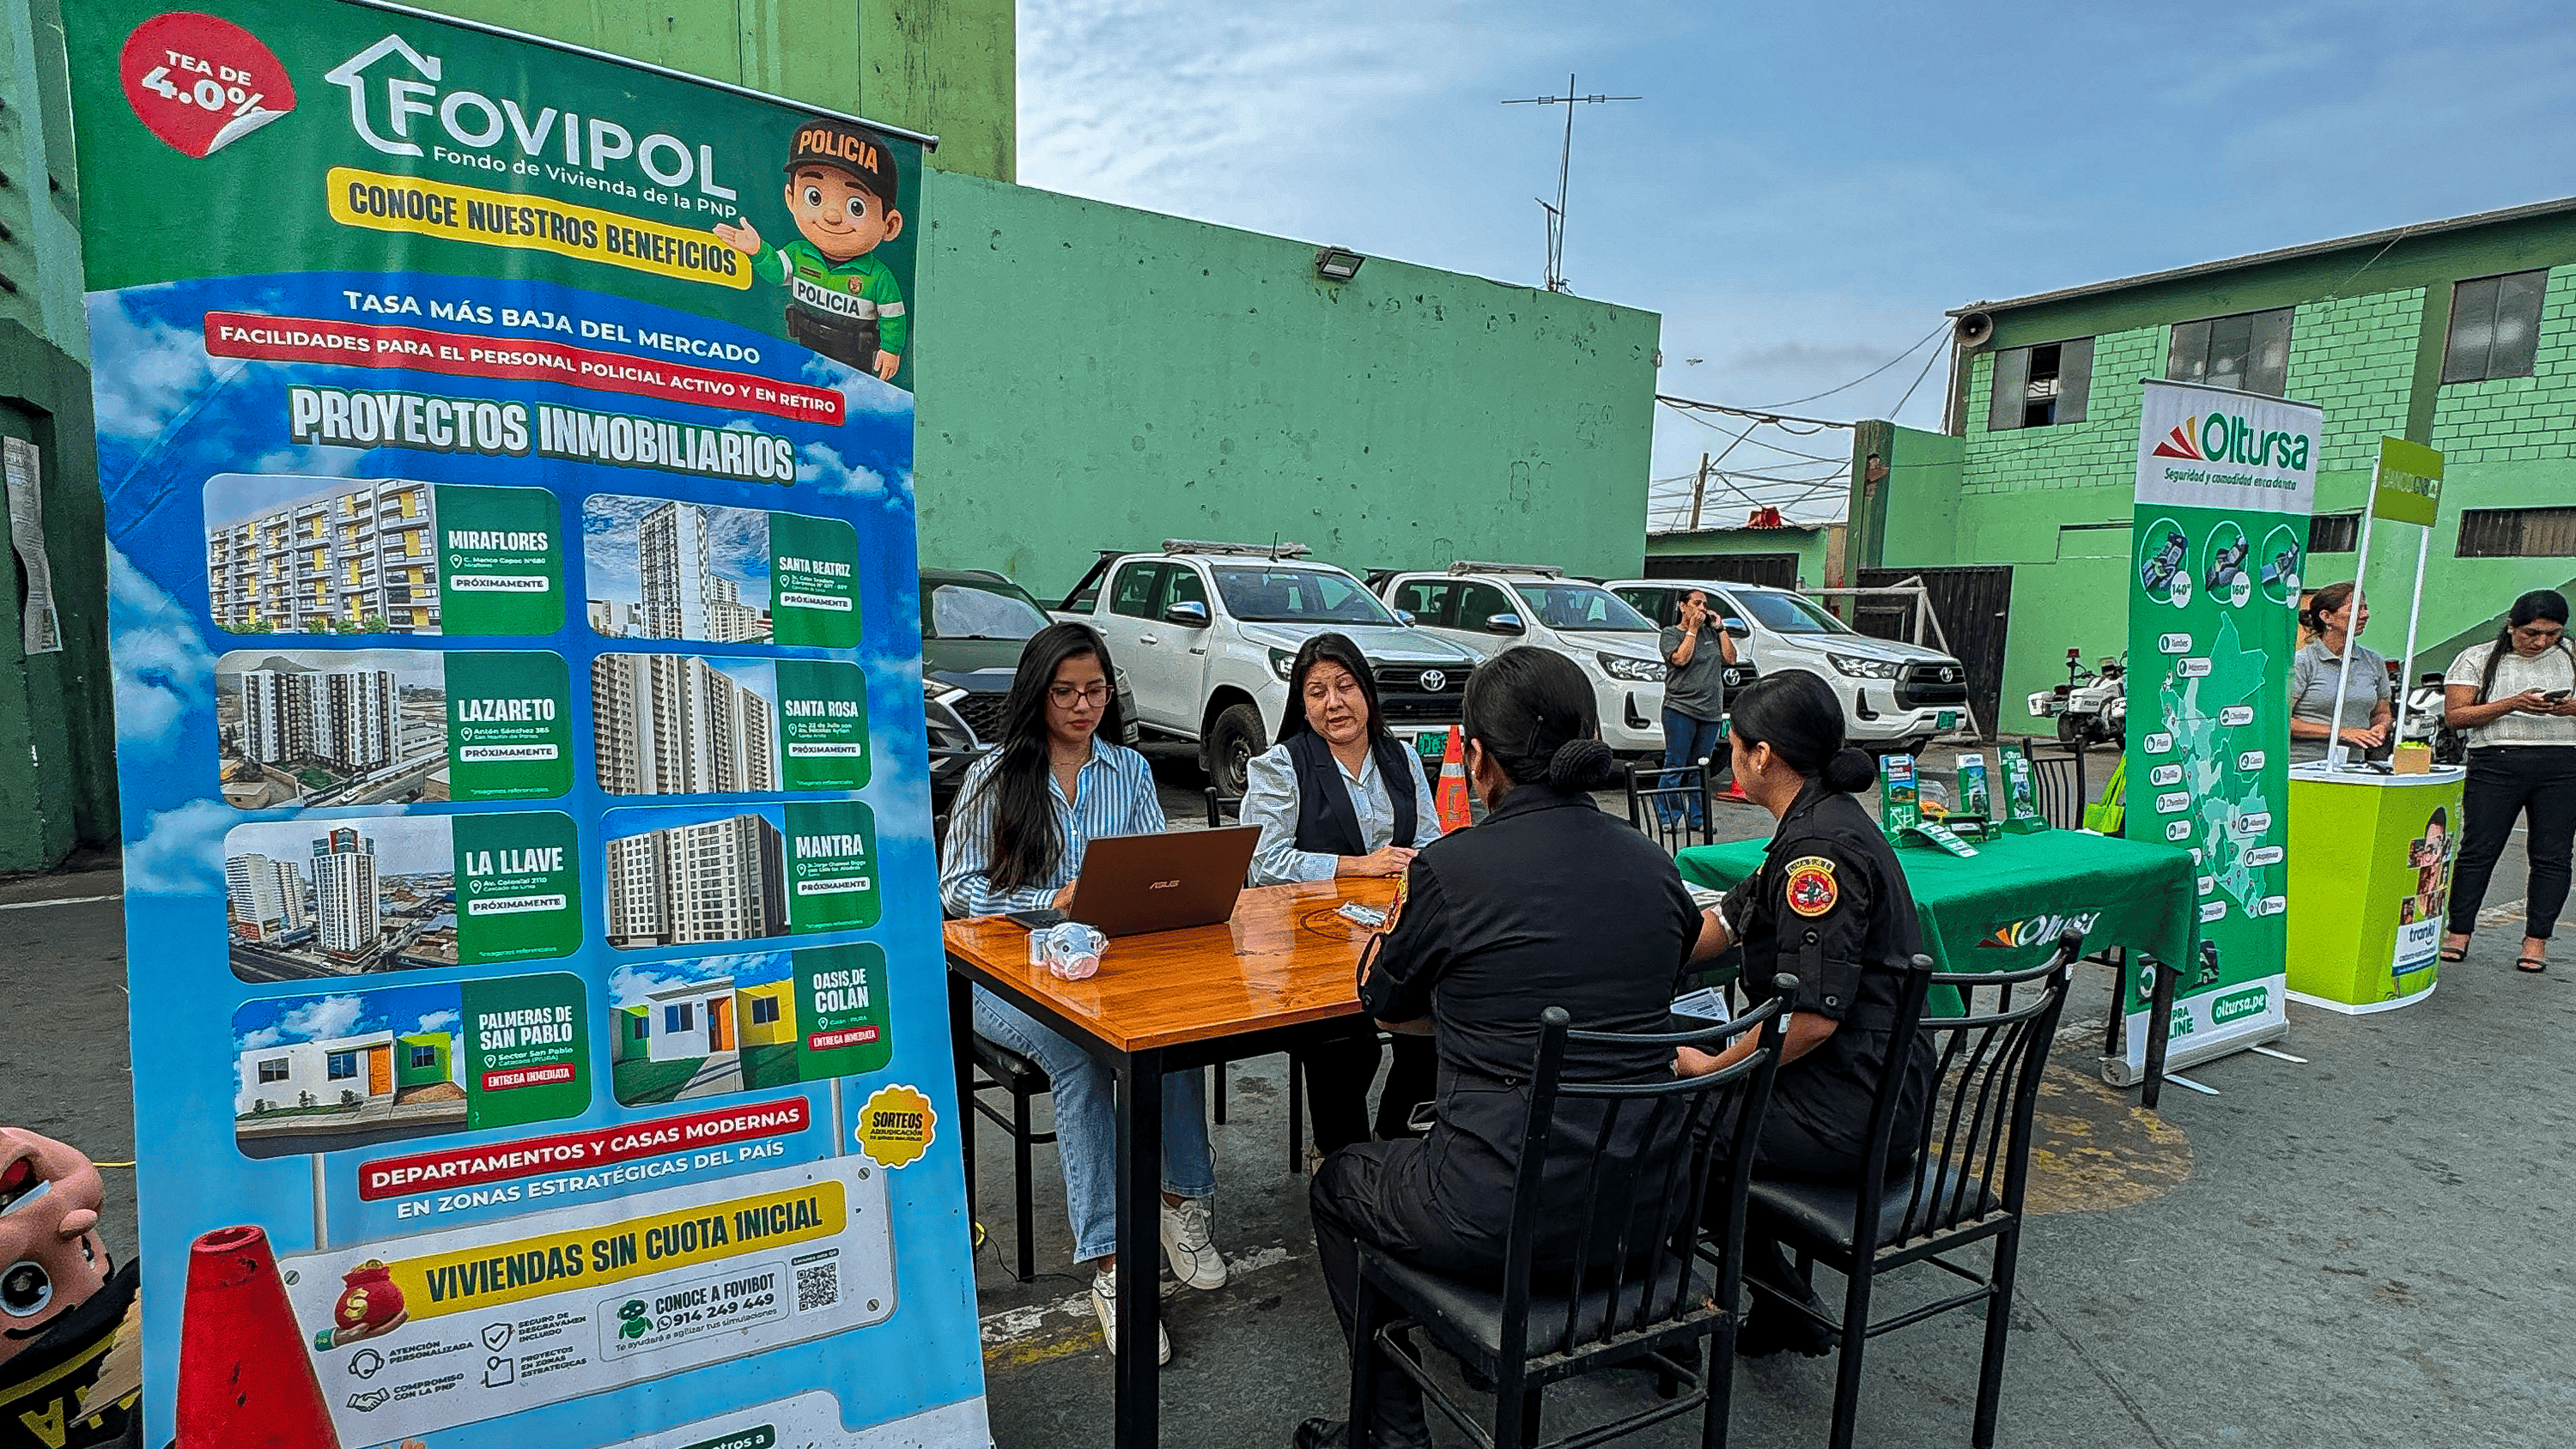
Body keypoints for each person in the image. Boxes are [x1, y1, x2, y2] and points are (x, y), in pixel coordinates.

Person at [1295, 647, 1698, 1449]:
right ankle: (1461, 1343)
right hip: (1647, 1209)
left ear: (1476, 759)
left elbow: (1382, 1001)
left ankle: (1390, 1432)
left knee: (1342, 1181)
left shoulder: (1454, 871)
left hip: (1500, 1214)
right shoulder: (1657, 870)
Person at [938, 622, 1227, 1363]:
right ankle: (1111, 1263)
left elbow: (1161, 865)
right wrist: (1050, 901)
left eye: (1095, 690)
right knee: (1076, 1057)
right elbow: (958, 891)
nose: (1082, 705)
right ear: (1038, 694)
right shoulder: (995, 776)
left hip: (1108, 965)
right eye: (1065, 692)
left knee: (1180, 1025)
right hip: (1012, 978)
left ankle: (1176, 1203)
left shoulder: (1128, 772)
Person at [1675, 669, 1937, 1356]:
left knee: (1670, 1120)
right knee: (1694, 1094)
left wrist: (1715, 1069)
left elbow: (1812, 1019)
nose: (1725, 756)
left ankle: (1729, 1306)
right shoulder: (1815, 822)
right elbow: (1726, 925)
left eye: (1732, 744)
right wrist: (1633, 941)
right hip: (1863, 1079)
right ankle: (1778, 1298)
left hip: (1856, 1104)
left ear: (1762, 755)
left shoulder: (1818, 851)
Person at [1241, 634, 1447, 1156]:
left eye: (1345, 687)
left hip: (1393, 933)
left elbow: (1428, 841)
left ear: (1367, 694)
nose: (1333, 703)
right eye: (1316, 692)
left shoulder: (1399, 757)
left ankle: (1392, 1142)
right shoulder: (1283, 766)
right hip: (1311, 943)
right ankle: (1343, 1162)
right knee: (1345, 1045)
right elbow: (1262, 864)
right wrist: (1357, 865)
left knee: (1442, 1023)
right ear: (1301, 705)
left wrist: (1414, 867)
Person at [2439, 590, 2576, 973]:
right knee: (2479, 850)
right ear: (2511, 625)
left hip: (2564, 760)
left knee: (2553, 854)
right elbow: (2456, 715)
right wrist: (2512, 703)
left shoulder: (2572, 655)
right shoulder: (2477, 658)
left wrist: (2565, 708)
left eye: (2552, 634)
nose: (2542, 642)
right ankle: (2459, 931)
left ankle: (2537, 940)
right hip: (2496, 761)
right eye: (2532, 633)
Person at [1660, 588, 1740, 825]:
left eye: (1705, 604)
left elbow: (1731, 658)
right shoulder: (1670, 634)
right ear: (1683, 606)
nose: (1702, 608)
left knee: (1700, 767)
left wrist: (1721, 628)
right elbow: (1681, 659)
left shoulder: (1711, 634)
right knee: (1676, 764)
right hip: (1681, 709)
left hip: (1710, 711)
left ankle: (1697, 818)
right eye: (1697, 603)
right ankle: (1670, 817)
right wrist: (1692, 629)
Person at [2288, 582, 2391, 763]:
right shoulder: (2303, 662)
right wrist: (2342, 732)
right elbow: (2282, 721)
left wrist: (2380, 727)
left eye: (2365, 608)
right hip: (2304, 767)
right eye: (2356, 609)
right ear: (2327, 616)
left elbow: (2381, 713)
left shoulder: (2373, 661)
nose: (2365, 615)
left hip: (2354, 766)